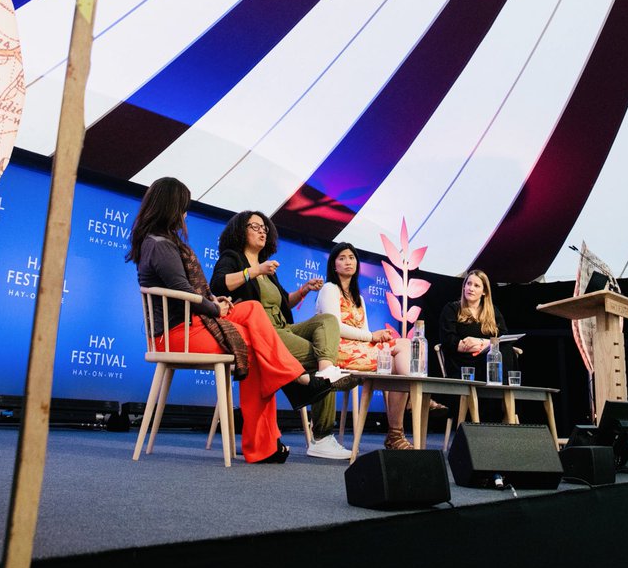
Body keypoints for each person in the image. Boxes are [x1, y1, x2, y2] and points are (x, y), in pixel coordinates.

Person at [127, 177, 333, 464]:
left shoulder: (165, 242)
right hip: (177, 332)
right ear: (171, 207)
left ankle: (289, 396)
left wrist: (216, 302)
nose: (185, 214)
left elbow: (197, 293)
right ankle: (269, 433)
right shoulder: (160, 245)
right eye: (183, 207)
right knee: (255, 344)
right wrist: (215, 306)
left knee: (251, 310)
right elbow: (185, 292)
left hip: (196, 322)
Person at [211, 211, 358, 460]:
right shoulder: (233, 257)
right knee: (318, 360)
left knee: (328, 321)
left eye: (265, 228)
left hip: (281, 327)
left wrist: (302, 291)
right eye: (255, 226)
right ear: (240, 230)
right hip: (260, 333)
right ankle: (322, 436)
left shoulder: (269, 268)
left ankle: (325, 369)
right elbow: (217, 285)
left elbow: (283, 304)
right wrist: (254, 271)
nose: (262, 231)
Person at [316, 242, 414, 450]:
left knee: (403, 349)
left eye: (351, 257)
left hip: (360, 350)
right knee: (399, 361)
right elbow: (334, 328)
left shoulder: (358, 298)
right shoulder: (329, 289)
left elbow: (365, 334)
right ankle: (411, 402)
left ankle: (396, 433)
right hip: (336, 351)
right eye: (341, 258)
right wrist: (372, 336)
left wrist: (379, 338)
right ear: (334, 265)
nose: (347, 262)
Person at [438, 269, 515, 380]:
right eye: (468, 284)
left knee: (505, 348)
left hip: (488, 358)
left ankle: (500, 391)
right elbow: (448, 340)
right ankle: (497, 392)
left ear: (484, 292)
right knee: (497, 352)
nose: (471, 288)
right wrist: (481, 346)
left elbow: (504, 337)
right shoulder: (452, 309)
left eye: (476, 285)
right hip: (463, 360)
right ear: (464, 287)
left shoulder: (492, 311)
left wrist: (482, 343)